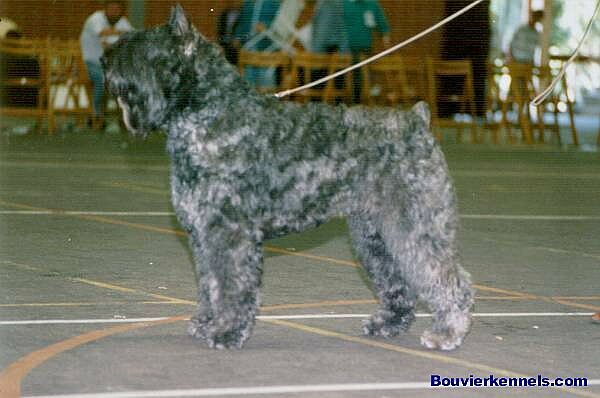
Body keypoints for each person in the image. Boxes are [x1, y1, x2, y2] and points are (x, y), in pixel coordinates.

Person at [80, 0, 133, 129]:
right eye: (111, 9)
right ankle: (96, 114)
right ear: (105, 9)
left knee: (126, 81)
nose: (114, 12)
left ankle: (125, 119)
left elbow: (132, 35)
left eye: (117, 9)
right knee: (103, 80)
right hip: (90, 63)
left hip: (109, 64)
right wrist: (121, 33)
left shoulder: (122, 22)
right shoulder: (95, 18)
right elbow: (102, 33)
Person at [342, 0, 390, 103]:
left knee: (367, 73)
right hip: (346, 50)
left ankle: (366, 99)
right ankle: (353, 101)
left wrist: (387, 49)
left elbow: (384, 27)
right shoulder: (342, 3)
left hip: (367, 50)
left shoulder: (372, 4)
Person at [234, 0, 280, 88]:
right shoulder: (248, 3)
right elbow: (242, 22)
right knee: (247, 81)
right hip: (248, 49)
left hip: (265, 49)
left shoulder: (273, 2)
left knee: (265, 80)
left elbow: (278, 24)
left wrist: (266, 26)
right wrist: (237, 36)